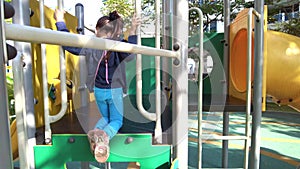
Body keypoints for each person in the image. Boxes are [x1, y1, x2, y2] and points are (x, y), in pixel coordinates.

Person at [54, 9, 141, 163]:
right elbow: (131, 54)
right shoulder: (118, 45)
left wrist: (60, 21)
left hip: (99, 90)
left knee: (105, 117)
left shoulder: (90, 45)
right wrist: (133, 30)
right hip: (114, 91)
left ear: (96, 30)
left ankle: (95, 133)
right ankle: (103, 139)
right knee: (116, 121)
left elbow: (68, 43)